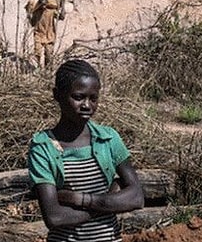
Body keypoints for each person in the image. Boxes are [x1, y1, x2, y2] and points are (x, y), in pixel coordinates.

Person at [27, 59, 144, 242]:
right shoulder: (43, 147)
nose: (87, 105)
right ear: (57, 95)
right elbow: (54, 217)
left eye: (93, 98)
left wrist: (80, 199)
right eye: (78, 97)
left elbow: (137, 198)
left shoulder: (108, 138)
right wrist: (110, 202)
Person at [25, 0, 64, 69]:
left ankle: (48, 70)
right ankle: (38, 69)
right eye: (41, 5)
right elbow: (33, 24)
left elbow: (62, 17)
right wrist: (28, 15)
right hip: (38, 35)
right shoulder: (36, 12)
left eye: (44, 4)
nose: (43, 6)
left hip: (49, 36)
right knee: (37, 54)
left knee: (48, 55)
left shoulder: (51, 12)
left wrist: (63, 6)